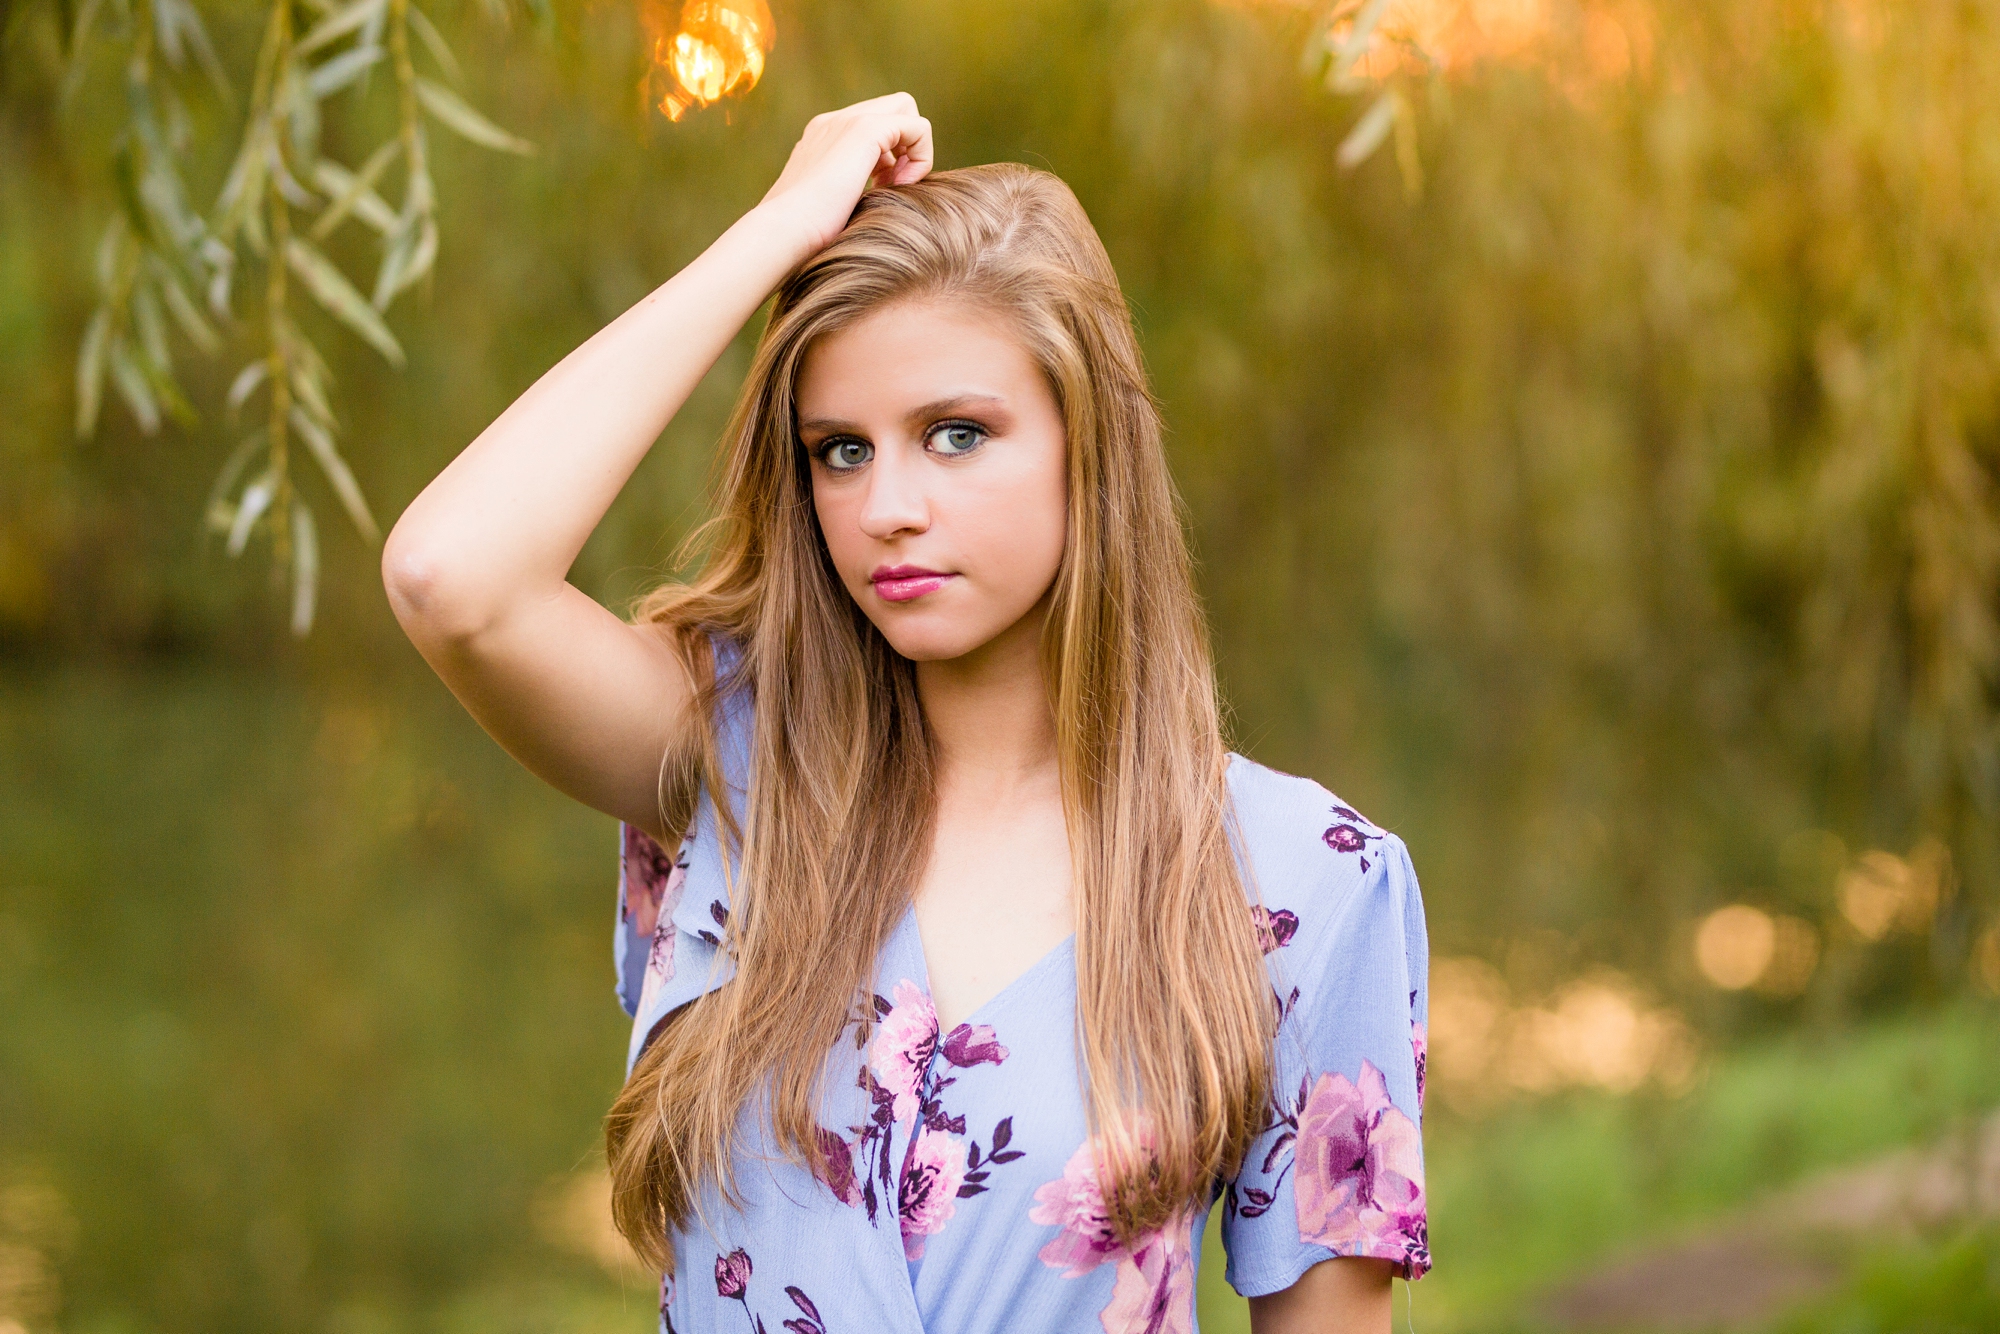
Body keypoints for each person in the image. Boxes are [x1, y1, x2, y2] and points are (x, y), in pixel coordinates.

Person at [383, 93, 1428, 1334]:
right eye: (839, 449)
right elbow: (451, 578)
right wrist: (774, 233)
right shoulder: (733, 766)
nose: (887, 505)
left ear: (1085, 443)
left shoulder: (1303, 880)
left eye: (954, 433)